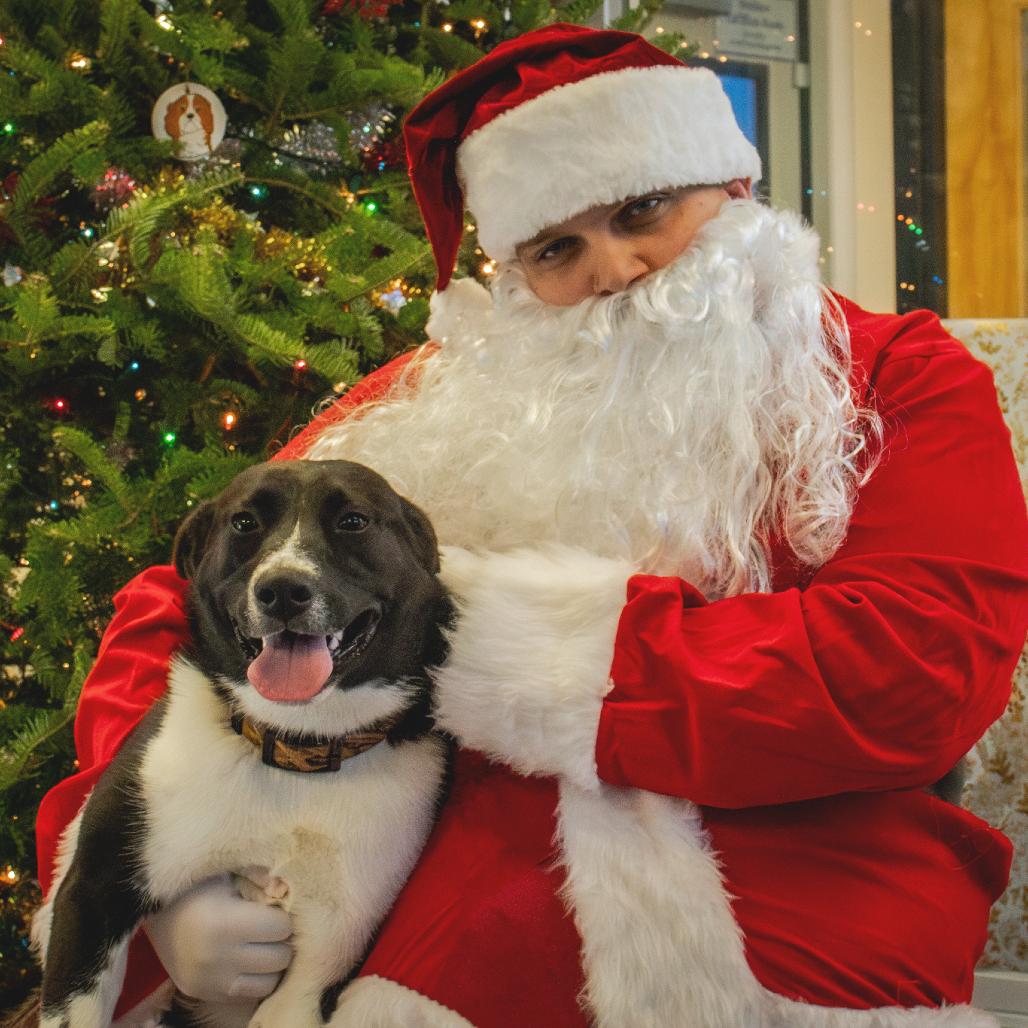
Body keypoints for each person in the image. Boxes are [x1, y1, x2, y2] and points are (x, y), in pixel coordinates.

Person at [35, 23, 1028, 1028]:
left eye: (644, 208)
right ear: (512, 274)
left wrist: (504, 646)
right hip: (440, 847)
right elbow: (186, 589)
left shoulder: (893, 375)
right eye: (556, 246)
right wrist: (150, 858)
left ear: (731, 191)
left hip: (793, 851)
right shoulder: (439, 396)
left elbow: (917, 659)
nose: (615, 266)